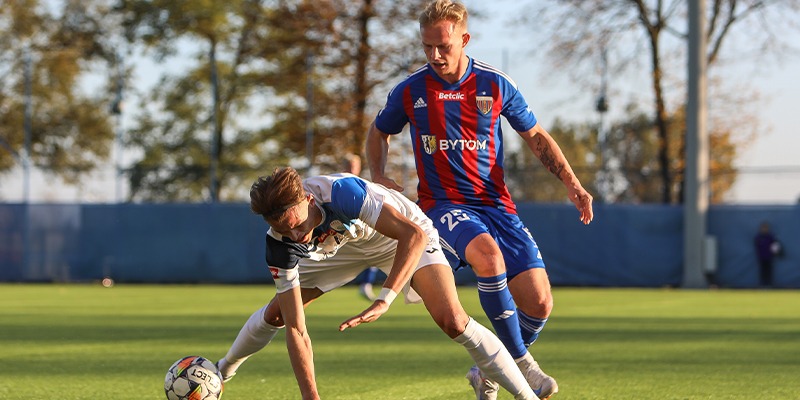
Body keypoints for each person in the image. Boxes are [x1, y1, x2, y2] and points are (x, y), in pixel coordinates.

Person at [365, 1, 594, 399]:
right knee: (488, 258)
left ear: (464, 39)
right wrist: (378, 175)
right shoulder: (411, 90)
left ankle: (487, 369)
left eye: (443, 46)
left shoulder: (495, 84)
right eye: (427, 47)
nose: (435, 56)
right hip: (442, 204)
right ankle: (524, 366)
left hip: (497, 205)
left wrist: (572, 183)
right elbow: (378, 132)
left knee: (539, 302)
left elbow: (537, 137)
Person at [216, 167, 539, 400]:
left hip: (397, 235)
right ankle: (222, 371)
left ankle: (527, 398)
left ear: (307, 200)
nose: (296, 236)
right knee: (278, 315)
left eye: (297, 225)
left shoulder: (343, 193)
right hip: (342, 249)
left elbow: (411, 236)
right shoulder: (280, 245)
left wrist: (385, 298)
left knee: (453, 320)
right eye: (286, 232)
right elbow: (298, 330)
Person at [341, 153, 381, 301]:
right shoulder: (338, 182)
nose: (353, 169)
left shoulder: (363, 184)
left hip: (358, 229)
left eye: (355, 166)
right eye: (350, 166)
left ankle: (366, 285)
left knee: (376, 253)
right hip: (340, 229)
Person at [754, 221, 781, 287]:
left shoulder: (770, 237)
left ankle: (769, 284)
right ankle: (762, 285)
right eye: (763, 228)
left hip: (769, 257)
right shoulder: (759, 237)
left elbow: (775, 245)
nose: (764, 229)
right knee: (762, 271)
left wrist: (775, 252)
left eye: (766, 228)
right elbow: (757, 245)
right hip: (761, 257)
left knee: (769, 271)